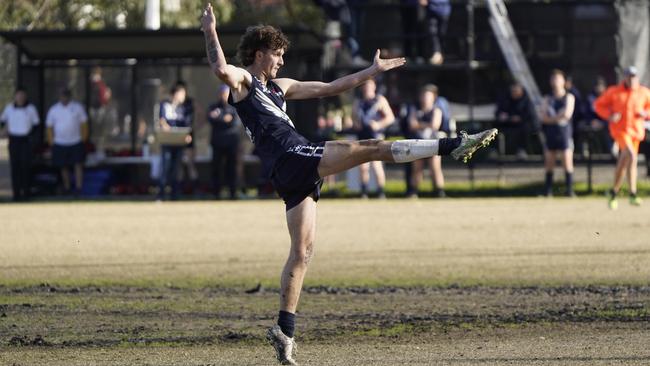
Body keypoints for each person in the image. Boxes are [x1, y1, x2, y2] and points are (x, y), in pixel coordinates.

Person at [200, 4, 496, 364]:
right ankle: (453, 145)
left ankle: (284, 331)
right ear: (258, 54)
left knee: (302, 252)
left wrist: (371, 72)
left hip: (291, 172)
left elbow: (330, 87)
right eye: (276, 55)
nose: (280, 61)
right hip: (294, 155)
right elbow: (219, 69)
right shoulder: (245, 83)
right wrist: (209, 30)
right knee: (369, 148)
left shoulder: (280, 86)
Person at [594, 66, 650, 209]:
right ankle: (628, 193)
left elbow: (648, 108)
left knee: (628, 161)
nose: (631, 79)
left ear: (637, 78)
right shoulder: (614, 92)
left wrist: (645, 113)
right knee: (630, 155)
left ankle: (619, 193)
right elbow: (598, 105)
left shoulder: (644, 92)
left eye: (633, 76)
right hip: (620, 131)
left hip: (636, 132)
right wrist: (610, 116)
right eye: (629, 76)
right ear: (624, 78)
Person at [352, 78, 394, 198]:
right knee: (363, 166)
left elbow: (390, 117)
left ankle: (381, 191)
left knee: (377, 165)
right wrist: (356, 124)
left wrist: (378, 124)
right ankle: (364, 191)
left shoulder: (380, 100)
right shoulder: (358, 102)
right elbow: (353, 118)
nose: (367, 88)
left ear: (374, 86)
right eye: (365, 85)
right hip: (362, 137)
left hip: (376, 136)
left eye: (370, 85)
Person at [539, 69, 575, 197]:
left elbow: (567, 114)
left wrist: (551, 119)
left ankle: (569, 191)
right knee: (549, 162)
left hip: (564, 134)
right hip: (551, 134)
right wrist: (556, 118)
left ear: (563, 81)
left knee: (567, 161)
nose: (555, 82)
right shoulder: (547, 98)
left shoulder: (569, 97)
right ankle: (548, 191)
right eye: (553, 79)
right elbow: (542, 117)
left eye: (558, 79)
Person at [46, 88, 88, 195]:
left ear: (70, 97)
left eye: (66, 96)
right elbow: (49, 126)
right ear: (59, 97)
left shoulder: (78, 108)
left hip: (76, 141)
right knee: (63, 166)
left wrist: (83, 139)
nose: (64, 98)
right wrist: (52, 142)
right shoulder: (54, 109)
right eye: (62, 96)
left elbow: (84, 124)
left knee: (78, 165)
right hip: (60, 143)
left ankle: (78, 188)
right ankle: (67, 187)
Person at [407, 84, 446, 197]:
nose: (425, 98)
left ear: (433, 97)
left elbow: (434, 125)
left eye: (428, 96)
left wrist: (419, 125)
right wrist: (425, 125)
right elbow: (411, 125)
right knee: (417, 169)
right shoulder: (415, 109)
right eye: (423, 96)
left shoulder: (436, 110)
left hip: (433, 144)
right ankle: (413, 191)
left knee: (435, 168)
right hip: (418, 143)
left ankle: (439, 191)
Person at [1, 88, 40, 201]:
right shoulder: (9, 108)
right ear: (15, 96)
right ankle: (16, 194)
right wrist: (4, 131)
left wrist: (31, 137)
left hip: (25, 140)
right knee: (15, 167)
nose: (20, 97)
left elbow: (36, 125)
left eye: (22, 95)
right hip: (14, 140)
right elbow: (2, 121)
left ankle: (26, 193)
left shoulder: (31, 109)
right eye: (18, 95)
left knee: (25, 166)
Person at [157, 83, 192, 201]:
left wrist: (187, 136)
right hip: (167, 142)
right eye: (182, 94)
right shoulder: (164, 105)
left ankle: (174, 195)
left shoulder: (185, 108)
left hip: (179, 143)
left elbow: (187, 125)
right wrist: (166, 127)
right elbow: (161, 120)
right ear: (175, 94)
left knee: (176, 170)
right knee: (165, 167)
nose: (183, 96)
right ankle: (161, 194)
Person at [208, 84, 241, 199]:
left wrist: (219, 118)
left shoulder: (235, 107)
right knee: (216, 168)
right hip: (217, 142)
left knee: (231, 168)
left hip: (231, 143)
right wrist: (224, 118)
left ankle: (232, 193)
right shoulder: (213, 107)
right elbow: (211, 119)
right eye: (222, 94)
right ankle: (216, 193)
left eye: (226, 94)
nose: (224, 96)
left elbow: (234, 122)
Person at [495, 82, 537, 160]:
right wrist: (502, 116)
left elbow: (530, 115)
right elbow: (498, 112)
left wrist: (519, 118)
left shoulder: (526, 100)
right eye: (513, 91)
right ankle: (494, 150)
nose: (514, 93)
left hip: (523, 124)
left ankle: (521, 150)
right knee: (495, 128)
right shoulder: (506, 99)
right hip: (508, 123)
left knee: (524, 129)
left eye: (516, 91)